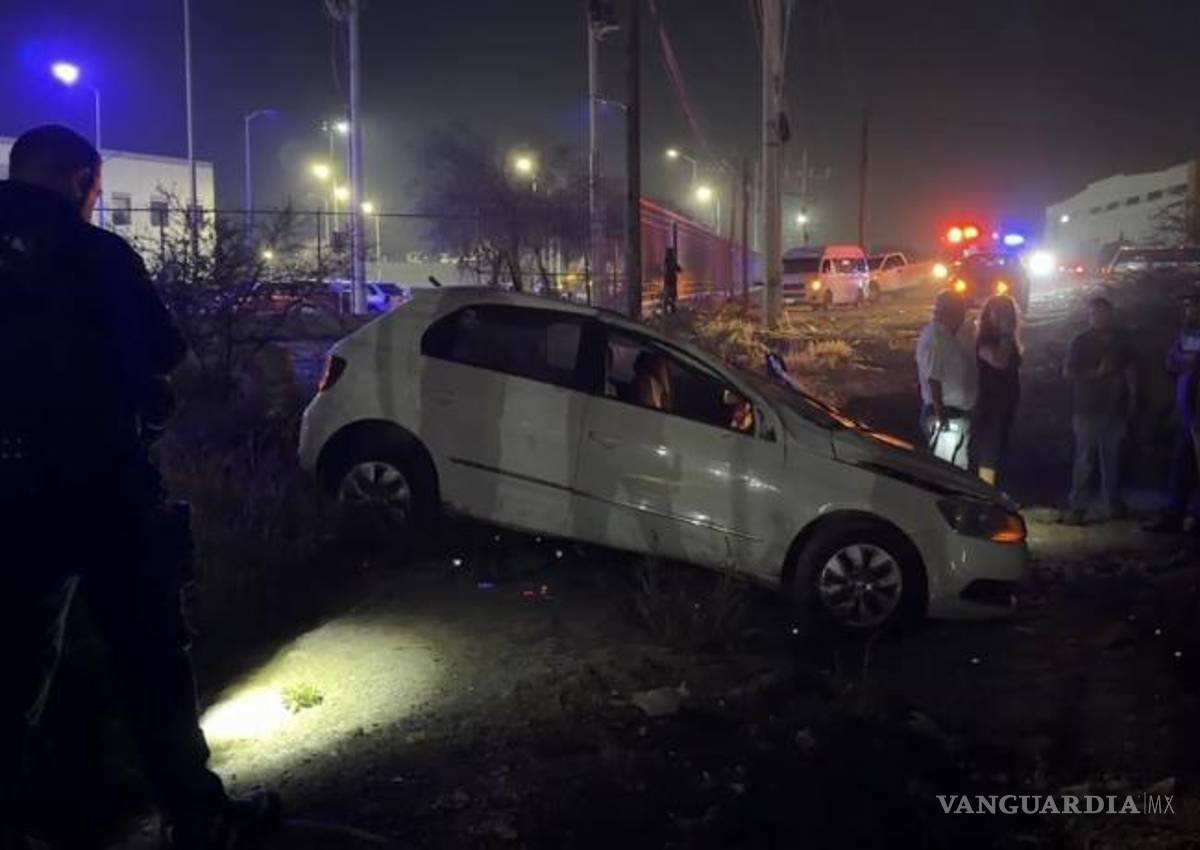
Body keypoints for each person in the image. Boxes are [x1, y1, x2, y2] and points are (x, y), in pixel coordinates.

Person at [0, 126, 279, 849]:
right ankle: (192, 814)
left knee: (14, 663)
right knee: (150, 656)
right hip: (103, 490)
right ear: (83, 179)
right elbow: (171, 360)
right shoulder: (96, 256)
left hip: (8, 495)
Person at [1062, 296, 1138, 525]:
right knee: (1085, 460)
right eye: (1094, 314)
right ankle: (1078, 507)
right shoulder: (1080, 342)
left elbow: (1131, 373)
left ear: (1110, 314)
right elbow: (1067, 373)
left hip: (1114, 410)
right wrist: (1096, 374)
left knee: (1111, 460)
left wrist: (1134, 399)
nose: (1098, 318)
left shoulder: (1121, 342)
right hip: (1087, 410)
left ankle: (1112, 505)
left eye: (1102, 313)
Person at [1143, 292, 1200, 533]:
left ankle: (1194, 519)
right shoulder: (1186, 334)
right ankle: (1175, 514)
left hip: (1197, 414)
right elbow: (1171, 361)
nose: (1189, 311)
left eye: (1193, 307)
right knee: (1181, 465)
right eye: (1187, 307)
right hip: (1185, 413)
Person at [916, 289, 977, 469]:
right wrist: (941, 413)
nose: (963, 315)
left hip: (955, 415)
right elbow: (933, 378)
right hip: (945, 417)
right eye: (960, 310)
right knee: (947, 470)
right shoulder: (936, 337)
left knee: (956, 466)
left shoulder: (950, 335)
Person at [973, 294, 1023, 485]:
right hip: (991, 404)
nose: (1004, 317)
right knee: (990, 450)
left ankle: (996, 489)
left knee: (1001, 447)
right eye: (999, 312)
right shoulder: (985, 341)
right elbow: (1000, 362)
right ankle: (986, 490)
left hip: (1007, 402)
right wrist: (1005, 336)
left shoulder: (1010, 341)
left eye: (1007, 312)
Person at [661, 247, 681, 315]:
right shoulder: (672, 261)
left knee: (667, 296)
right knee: (672, 296)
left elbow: (664, 269)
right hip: (671, 281)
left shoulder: (666, 261)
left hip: (668, 281)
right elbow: (678, 269)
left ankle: (666, 310)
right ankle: (672, 310)